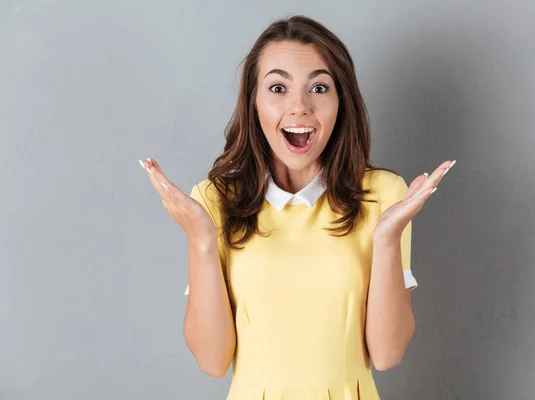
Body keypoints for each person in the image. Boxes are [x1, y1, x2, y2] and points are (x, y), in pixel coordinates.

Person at [139, 15, 455, 400]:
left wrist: (387, 238)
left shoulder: (385, 195)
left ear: (341, 102)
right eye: (278, 88)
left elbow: (387, 354)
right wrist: (202, 239)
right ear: (254, 102)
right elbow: (212, 360)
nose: (300, 107)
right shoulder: (214, 201)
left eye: (319, 87)